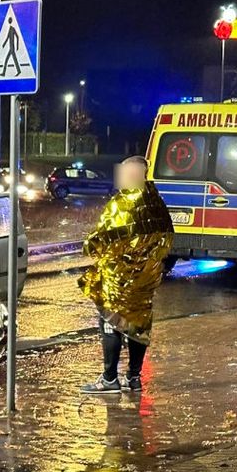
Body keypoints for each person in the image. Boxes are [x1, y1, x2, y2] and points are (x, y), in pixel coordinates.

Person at [78, 156, 174, 394]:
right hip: (144, 280)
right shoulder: (156, 202)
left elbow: (103, 238)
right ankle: (133, 377)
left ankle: (110, 378)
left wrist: (90, 246)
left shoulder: (121, 204)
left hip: (119, 278)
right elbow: (167, 237)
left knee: (112, 322)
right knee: (138, 326)